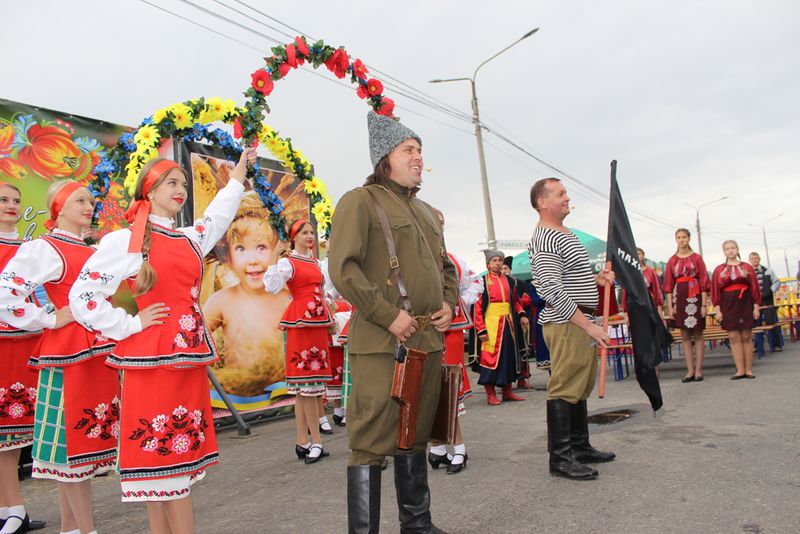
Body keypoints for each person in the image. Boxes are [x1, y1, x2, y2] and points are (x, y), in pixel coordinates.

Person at [69, 148, 255, 533]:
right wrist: (130, 326)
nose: (181, 189)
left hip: (186, 359)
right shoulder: (125, 241)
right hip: (152, 359)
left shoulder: (188, 238)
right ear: (149, 191)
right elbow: (82, 297)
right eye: (172, 182)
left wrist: (236, 178)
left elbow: (217, 219)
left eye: (183, 184)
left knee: (175, 462)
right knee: (161, 461)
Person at [327, 111, 458, 533]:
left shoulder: (424, 210)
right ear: (385, 157)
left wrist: (450, 305)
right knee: (369, 443)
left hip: (428, 339)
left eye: (420, 150)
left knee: (415, 436)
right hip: (383, 343)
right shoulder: (359, 202)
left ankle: (417, 526)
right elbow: (343, 269)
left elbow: (446, 269)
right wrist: (389, 315)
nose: (419, 157)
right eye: (409, 150)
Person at [0, 180, 119, 534]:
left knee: (81, 447)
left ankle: (73, 529)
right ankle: (85, 530)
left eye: (91, 201)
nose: (89, 206)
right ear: (60, 207)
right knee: (69, 448)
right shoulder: (46, 248)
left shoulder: (92, 250)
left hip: (95, 353)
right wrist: (49, 318)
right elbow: (6, 293)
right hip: (67, 355)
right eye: (81, 200)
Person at [529, 177, 615, 481]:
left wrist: (598, 281)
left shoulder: (564, 233)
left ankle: (580, 446)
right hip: (567, 322)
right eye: (561, 194)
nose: (568, 198)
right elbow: (552, 289)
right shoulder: (546, 238)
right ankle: (561, 458)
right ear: (542, 202)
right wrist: (586, 326)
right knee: (565, 387)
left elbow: (572, 278)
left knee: (579, 384)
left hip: (578, 321)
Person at [203, 191, 290, 397]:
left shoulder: (287, 297)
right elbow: (198, 338)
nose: (252, 259)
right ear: (228, 255)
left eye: (261, 247)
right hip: (239, 396)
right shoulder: (222, 300)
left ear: (277, 249)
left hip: (283, 391)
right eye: (241, 248)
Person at [263, 219, 334, 464]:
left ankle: (302, 441)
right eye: (304, 232)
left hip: (316, 323)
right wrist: (274, 256)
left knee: (308, 390)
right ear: (294, 237)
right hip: (301, 325)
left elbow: (326, 292)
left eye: (311, 232)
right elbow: (270, 287)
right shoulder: (288, 262)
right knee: (307, 388)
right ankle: (316, 441)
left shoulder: (316, 263)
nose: (309, 236)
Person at [0, 182, 46, 534]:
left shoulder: (31, 249)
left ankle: (11, 508)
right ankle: (12, 507)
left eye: (16, 199)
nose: (12, 205)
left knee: (16, 434)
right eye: (3, 200)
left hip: (29, 346)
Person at [428, 209, 483, 475]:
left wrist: (456, 305)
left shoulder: (453, 260)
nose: (436, 229)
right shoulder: (416, 258)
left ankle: (458, 446)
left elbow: (476, 284)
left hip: (449, 331)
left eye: (439, 224)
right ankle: (438, 446)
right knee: (429, 387)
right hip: (422, 330)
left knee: (447, 386)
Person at [474, 251, 529, 404]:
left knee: (509, 356)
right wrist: (481, 329)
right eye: (495, 260)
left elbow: (516, 302)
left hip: (509, 324)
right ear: (488, 264)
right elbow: (478, 308)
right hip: (491, 324)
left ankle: (507, 391)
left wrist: (522, 314)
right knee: (490, 358)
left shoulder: (510, 281)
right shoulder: (482, 282)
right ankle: (490, 393)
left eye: (500, 260)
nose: (498, 263)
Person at [663, 228, 710, 382]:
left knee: (698, 333)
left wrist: (703, 304)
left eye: (684, 237)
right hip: (680, 297)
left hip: (695, 296)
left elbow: (703, 281)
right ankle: (689, 370)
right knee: (684, 335)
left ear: (689, 238)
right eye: (679, 237)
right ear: (675, 239)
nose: (682, 240)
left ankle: (699, 370)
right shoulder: (672, 260)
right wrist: (671, 306)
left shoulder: (696, 258)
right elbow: (668, 285)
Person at [712, 241, 761, 379]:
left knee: (746, 336)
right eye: (727, 249)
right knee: (733, 337)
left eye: (733, 248)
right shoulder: (719, 270)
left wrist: (756, 307)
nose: (730, 250)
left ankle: (748, 370)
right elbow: (715, 291)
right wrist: (718, 310)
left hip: (745, 302)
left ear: (737, 249)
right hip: (728, 303)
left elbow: (755, 288)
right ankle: (740, 370)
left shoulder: (747, 267)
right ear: (724, 252)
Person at [501, 255, 535, 389]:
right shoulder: (495, 283)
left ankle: (523, 378)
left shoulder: (519, 283)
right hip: (503, 320)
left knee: (523, 348)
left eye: (506, 268)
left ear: (510, 269)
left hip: (519, 318)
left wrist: (517, 303)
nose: (504, 270)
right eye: (502, 268)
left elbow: (528, 299)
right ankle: (505, 381)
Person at [748, 251, 782, 352]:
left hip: (767, 301)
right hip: (754, 303)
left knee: (772, 323)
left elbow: (777, 282)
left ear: (759, 259)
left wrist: (771, 290)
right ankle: (757, 346)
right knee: (755, 325)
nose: (754, 260)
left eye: (756, 258)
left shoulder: (768, 270)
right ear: (750, 260)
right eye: (752, 259)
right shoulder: (748, 272)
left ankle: (776, 345)